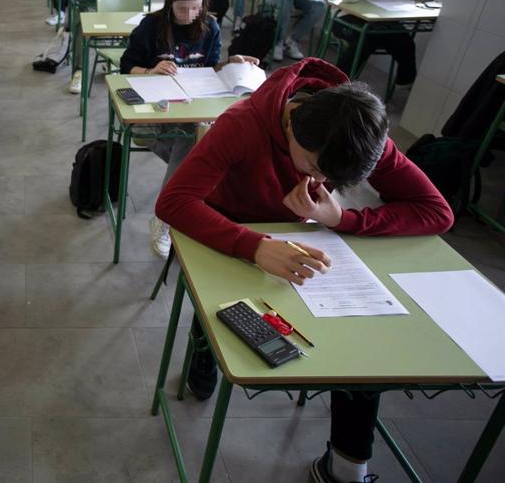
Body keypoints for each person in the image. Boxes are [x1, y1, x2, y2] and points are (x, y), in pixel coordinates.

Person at [155, 58, 453, 483]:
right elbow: (173, 203)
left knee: (362, 332)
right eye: (314, 168)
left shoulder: (358, 133)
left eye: (330, 178)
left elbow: (436, 212)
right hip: (230, 233)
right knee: (227, 318)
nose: (319, 179)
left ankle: (347, 467)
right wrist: (253, 246)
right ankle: (203, 344)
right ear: (293, 126)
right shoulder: (243, 124)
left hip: (305, 241)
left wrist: (341, 220)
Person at [120, 0, 257, 258]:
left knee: (193, 135)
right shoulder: (151, 26)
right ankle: (167, 215)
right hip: (150, 114)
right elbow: (126, 66)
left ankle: (166, 213)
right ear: (170, 3)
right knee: (198, 145)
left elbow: (209, 67)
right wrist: (149, 70)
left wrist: (231, 63)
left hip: (190, 105)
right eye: (182, 8)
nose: (189, 14)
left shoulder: (209, 26)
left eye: (196, 7)